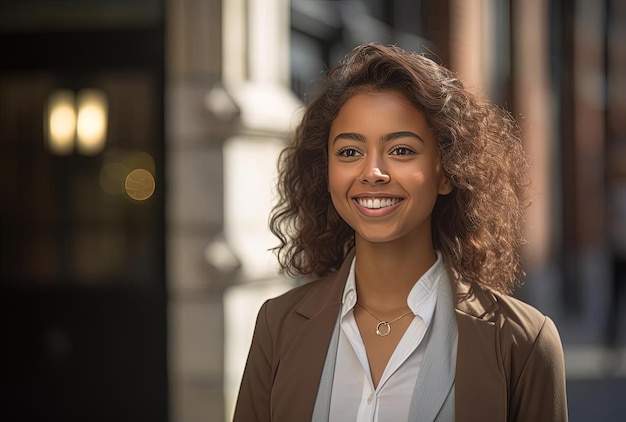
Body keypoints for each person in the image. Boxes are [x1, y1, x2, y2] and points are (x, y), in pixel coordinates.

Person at [233, 43, 568, 421]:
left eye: (402, 150)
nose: (372, 172)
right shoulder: (278, 326)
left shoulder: (522, 342)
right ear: (325, 173)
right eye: (349, 152)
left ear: (446, 172)